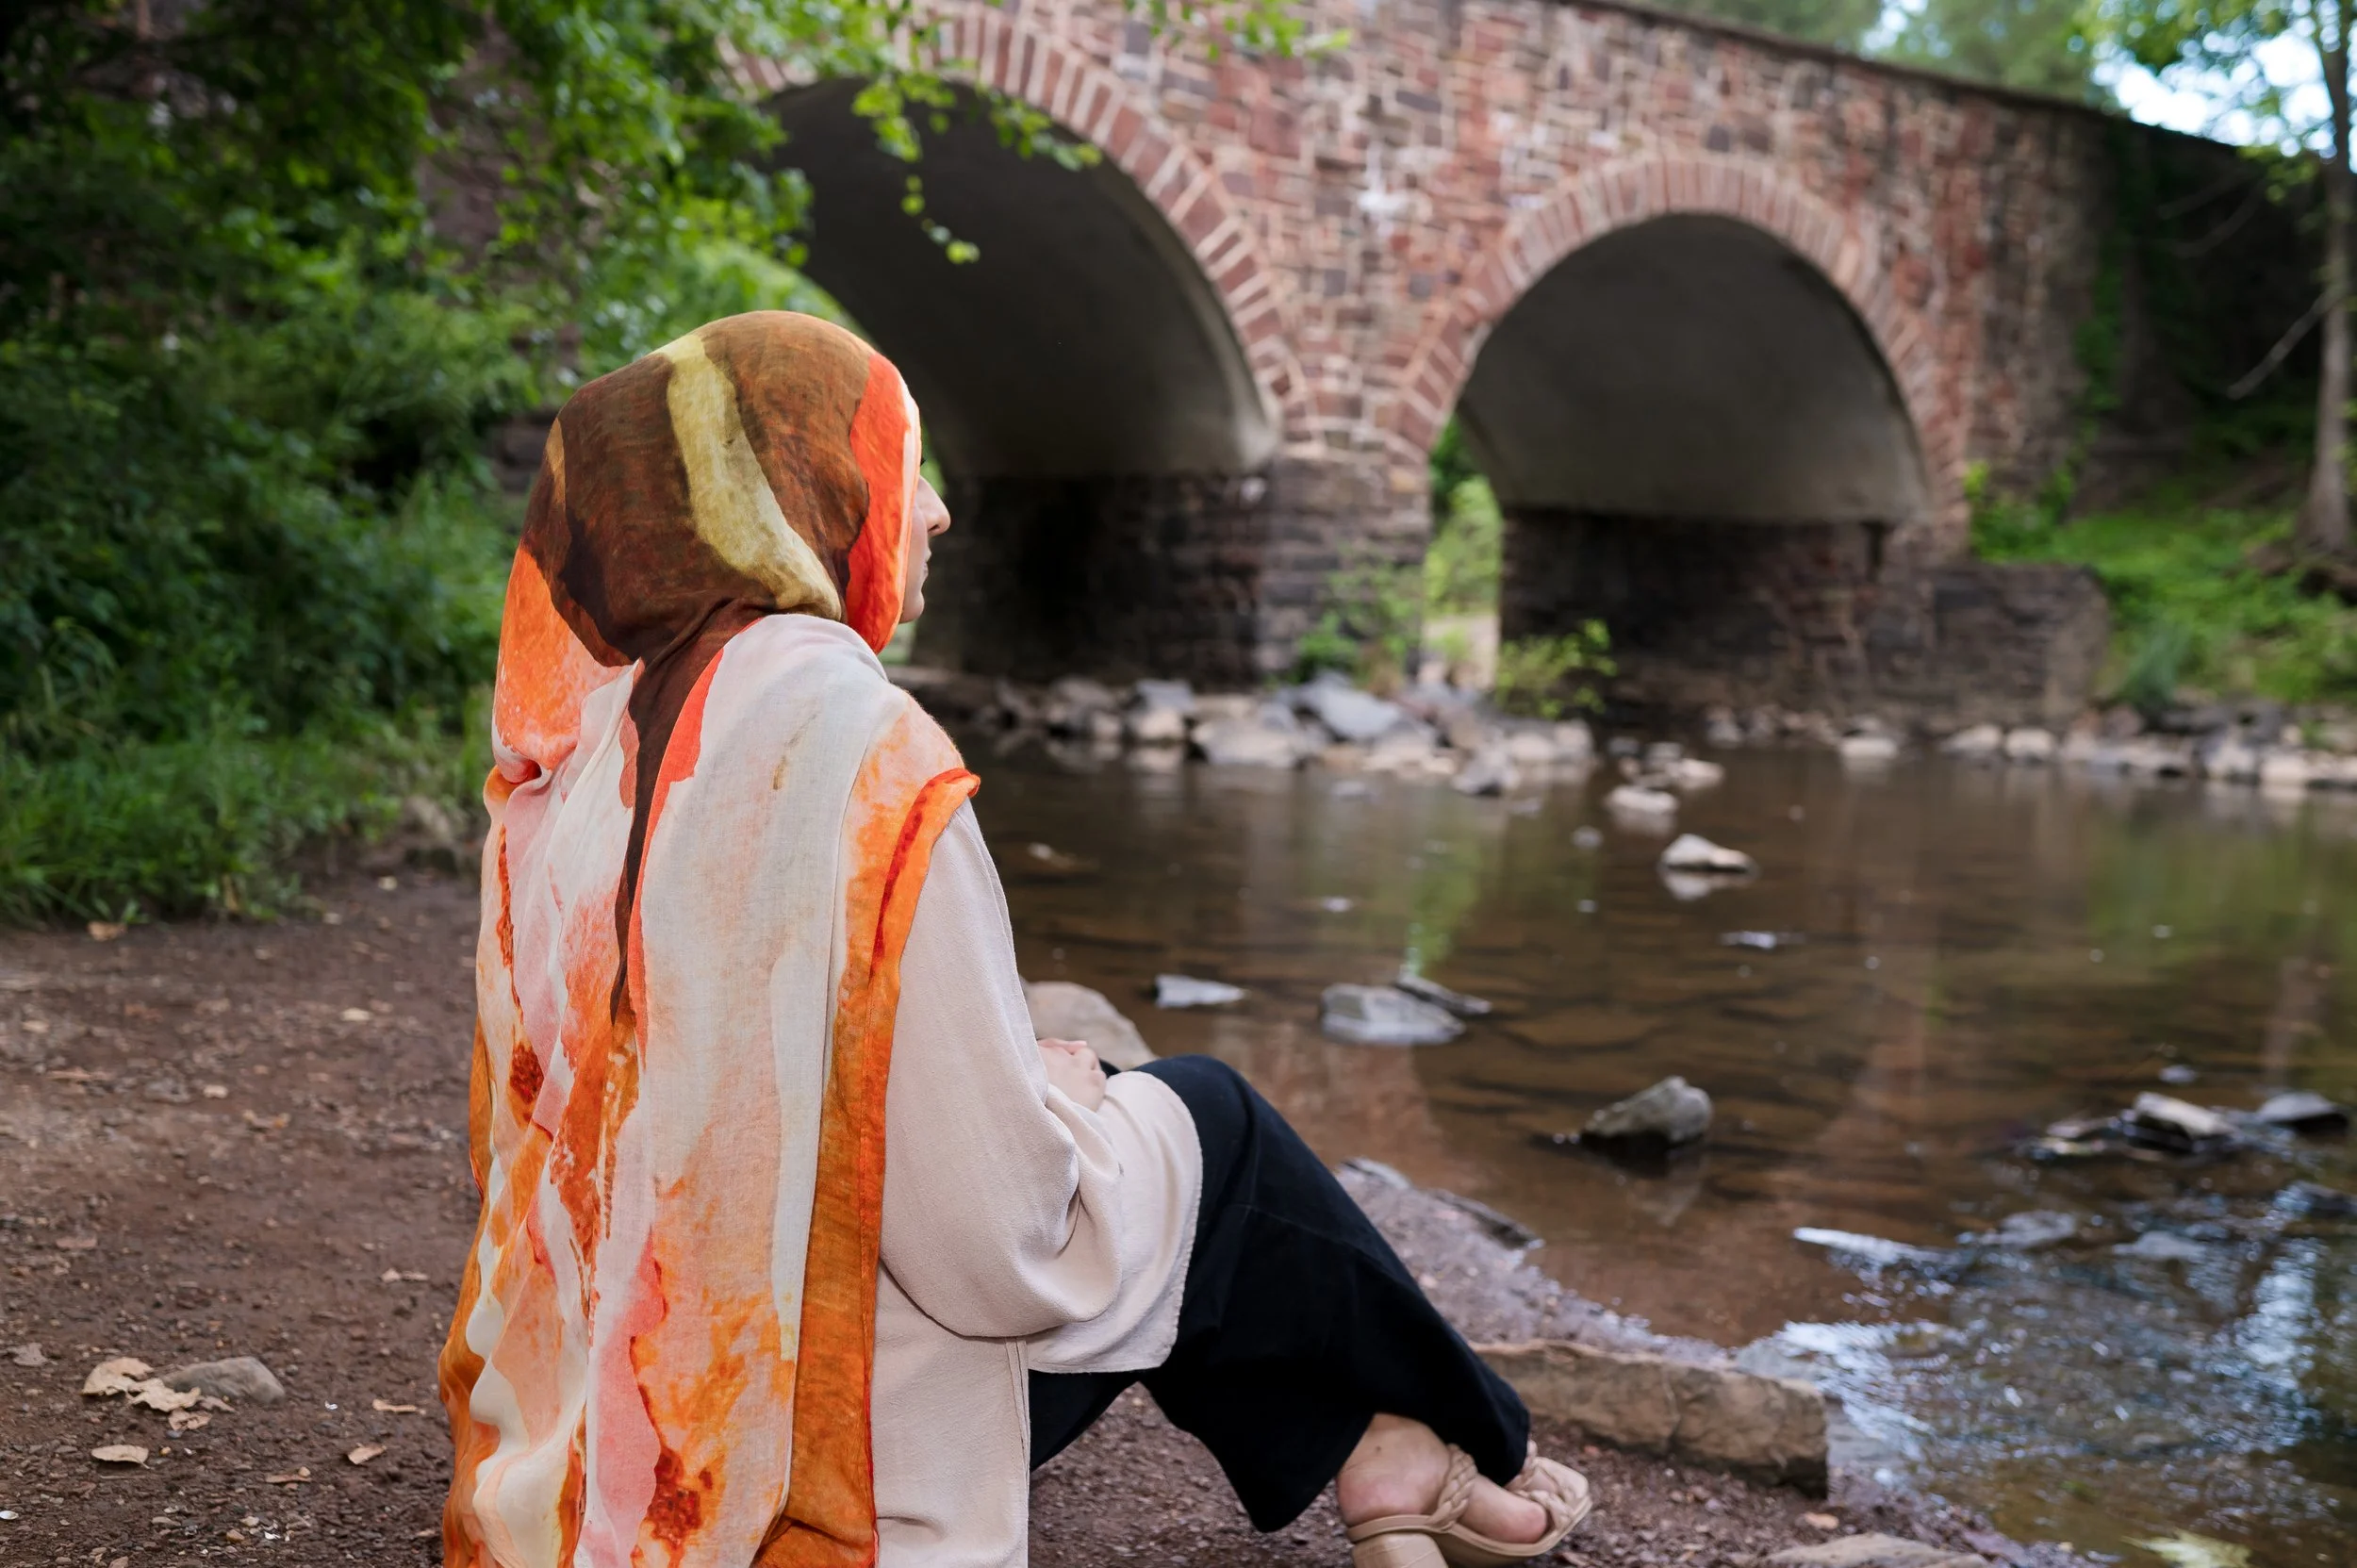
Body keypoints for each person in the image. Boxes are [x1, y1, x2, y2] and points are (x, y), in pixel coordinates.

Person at [438, 311, 1592, 1568]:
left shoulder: (581, 742)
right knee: (1215, 1133)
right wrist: (1061, 1109)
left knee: (1169, 1144)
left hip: (602, 1432)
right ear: (806, 497)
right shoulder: (852, 748)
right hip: (783, 1458)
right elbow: (998, 1248)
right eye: (896, 461)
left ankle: (1392, 1456)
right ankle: (1450, 1456)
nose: (932, 511)